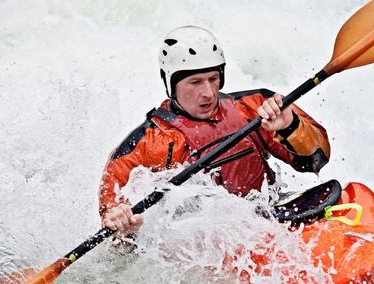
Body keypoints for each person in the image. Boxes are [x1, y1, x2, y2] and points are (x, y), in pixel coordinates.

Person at [99, 26, 331, 236]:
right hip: (205, 246)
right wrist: (122, 224)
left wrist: (291, 128)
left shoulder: (255, 107)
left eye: (213, 78)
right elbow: (115, 218)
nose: (208, 92)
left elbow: (316, 161)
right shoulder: (149, 142)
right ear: (171, 85)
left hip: (270, 218)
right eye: (195, 82)